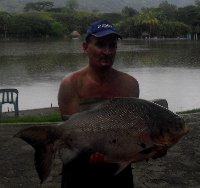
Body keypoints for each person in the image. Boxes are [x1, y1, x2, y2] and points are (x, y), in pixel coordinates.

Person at [58, 19, 139, 188]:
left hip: (118, 170)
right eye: (100, 44)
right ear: (85, 48)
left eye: (112, 45)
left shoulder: (130, 84)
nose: (107, 51)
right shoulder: (71, 84)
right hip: (79, 171)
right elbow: (72, 133)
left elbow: (131, 130)